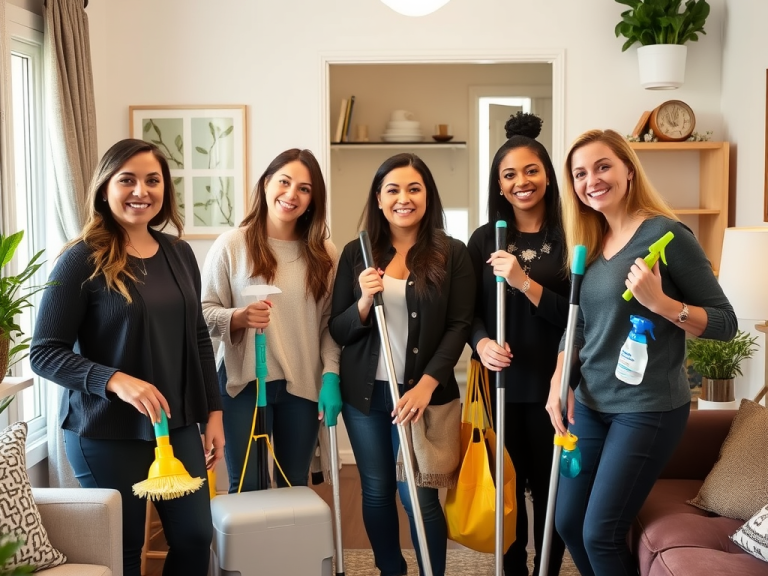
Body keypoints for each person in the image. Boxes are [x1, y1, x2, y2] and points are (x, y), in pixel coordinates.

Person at [546, 129, 737, 576]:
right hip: (590, 405)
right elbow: (578, 328)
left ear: (629, 170)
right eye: (579, 173)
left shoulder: (667, 235)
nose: (591, 179)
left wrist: (663, 304)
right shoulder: (589, 247)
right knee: (568, 522)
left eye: (602, 166)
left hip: (646, 410)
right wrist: (559, 382)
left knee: (601, 532)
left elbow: (725, 323)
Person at [30, 138, 223, 576]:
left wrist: (213, 413)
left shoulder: (178, 252)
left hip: (176, 425)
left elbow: (197, 336)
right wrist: (115, 379)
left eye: (152, 180)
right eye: (128, 180)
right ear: (105, 188)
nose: (142, 190)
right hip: (105, 431)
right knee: (124, 551)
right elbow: (42, 354)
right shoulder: (80, 258)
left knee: (196, 538)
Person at [329, 153, 474, 576]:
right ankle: (391, 570)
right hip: (366, 395)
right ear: (378, 198)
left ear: (428, 196)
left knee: (419, 496)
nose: (403, 198)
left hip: (422, 397)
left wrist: (427, 385)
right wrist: (363, 300)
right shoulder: (358, 253)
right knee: (375, 491)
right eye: (392, 189)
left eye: (414, 188)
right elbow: (338, 330)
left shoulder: (453, 254)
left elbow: (460, 326)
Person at [201, 148, 341, 492]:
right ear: (266, 184)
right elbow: (202, 313)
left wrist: (331, 375)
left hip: (303, 387)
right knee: (246, 485)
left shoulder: (325, 253)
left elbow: (329, 324)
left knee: (294, 484)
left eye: (305, 189)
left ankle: (291, 549)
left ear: (313, 200)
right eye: (284, 181)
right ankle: (250, 549)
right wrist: (237, 317)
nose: (292, 194)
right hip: (242, 383)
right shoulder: (232, 245)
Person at [467, 112, 568, 576]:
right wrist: (482, 343)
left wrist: (524, 281)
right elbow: (466, 314)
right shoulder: (486, 239)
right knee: (508, 490)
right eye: (510, 175)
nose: (521, 182)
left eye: (531, 170)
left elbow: (577, 317)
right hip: (502, 387)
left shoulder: (573, 238)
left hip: (556, 387)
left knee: (551, 492)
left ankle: (547, 567)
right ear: (499, 185)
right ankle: (512, 570)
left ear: (547, 175)